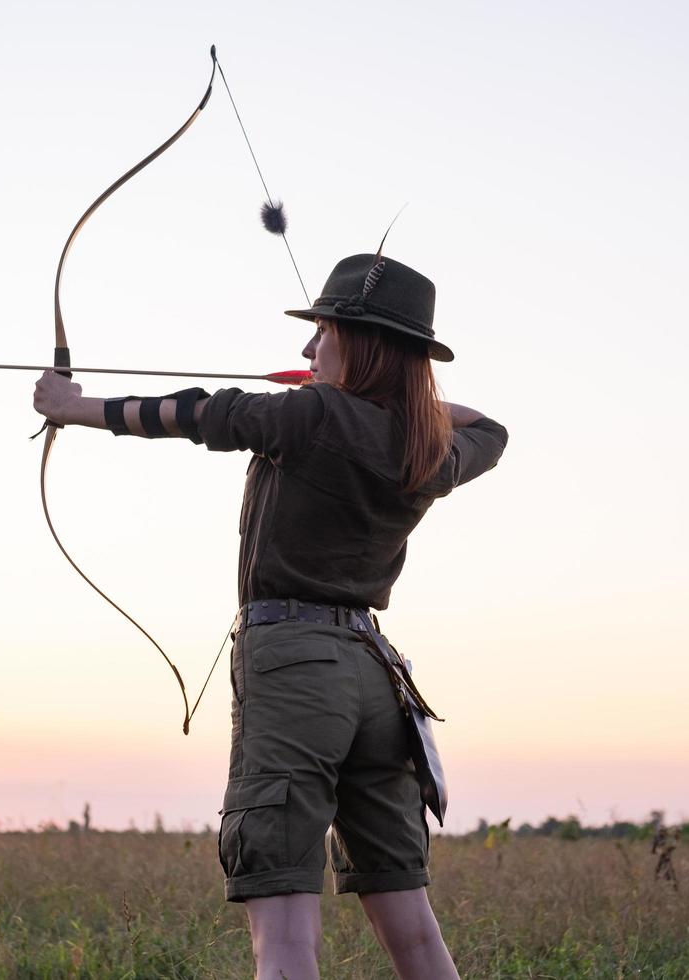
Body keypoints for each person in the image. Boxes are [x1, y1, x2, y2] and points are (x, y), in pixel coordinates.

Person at [33, 252, 507, 980]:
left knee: (283, 929)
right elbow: (492, 429)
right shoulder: (428, 447)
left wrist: (72, 409)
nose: (307, 349)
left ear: (361, 341)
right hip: (377, 680)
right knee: (411, 928)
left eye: (321, 334)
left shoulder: (311, 414)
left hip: (295, 669)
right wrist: (382, 398)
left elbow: (197, 413)